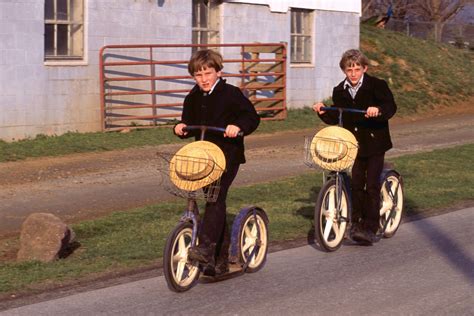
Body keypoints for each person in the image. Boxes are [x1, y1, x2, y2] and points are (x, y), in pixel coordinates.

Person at [174, 49, 260, 275]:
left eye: (207, 73)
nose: (203, 79)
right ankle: (219, 261)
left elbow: (251, 117)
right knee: (213, 200)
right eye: (198, 75)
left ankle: (204, 247)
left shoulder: (231, 94)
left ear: (218, 72)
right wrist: (181, 127)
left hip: (227, 155)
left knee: (215, 197)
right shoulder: (192, 97)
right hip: (202, 158)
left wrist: (238, 127)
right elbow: (188, 121)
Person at [313, 49, 397, 245]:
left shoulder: (377, 86)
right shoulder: (339, 90)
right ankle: (357, 222)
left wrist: (379, 110)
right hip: (353, 143)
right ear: (344, 70)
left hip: (375, 142)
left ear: (364, 69)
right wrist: (322, 110)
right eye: (349, 69)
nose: (353, 73)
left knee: (372, 185)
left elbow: (390, 107)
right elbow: (336, 116)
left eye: (357, 69)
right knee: (357, 184)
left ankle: (371, 227)